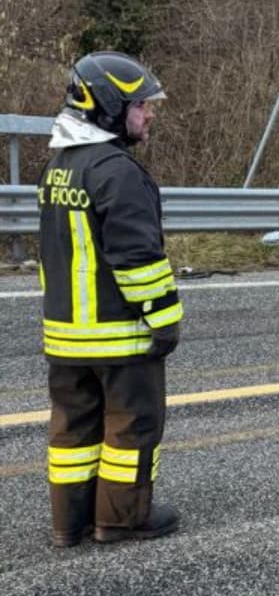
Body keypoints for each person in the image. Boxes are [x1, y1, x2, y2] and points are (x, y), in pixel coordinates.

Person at [38, 52, 183, 546]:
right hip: (119, 338)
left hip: (65, 338)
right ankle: (121, 519)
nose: (149, 114)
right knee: (131, 429)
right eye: (141, 105)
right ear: (108, 107)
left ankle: (69, 522)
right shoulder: (117, 173)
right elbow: (137, 259)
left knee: (72, 432)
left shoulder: (58, 168)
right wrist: (164, 319)